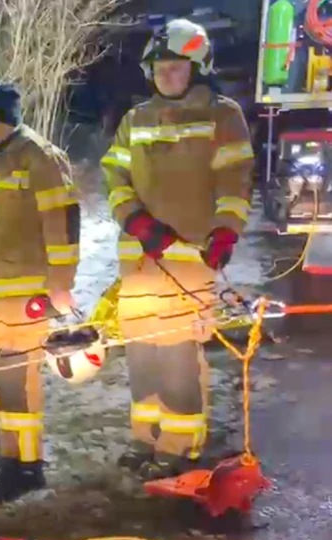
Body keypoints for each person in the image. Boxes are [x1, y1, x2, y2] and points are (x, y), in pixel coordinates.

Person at [102, 18, 252, 477]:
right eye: (160, 67)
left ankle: (177, 448)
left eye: (176, 67)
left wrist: (225, 232)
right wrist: (136, 221)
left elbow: (235, 183)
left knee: (179, 361)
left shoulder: (223, 117)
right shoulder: (135, 119)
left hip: (190, 263)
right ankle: (145, 441)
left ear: (198, 67)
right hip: (140, 262)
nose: (166, 75)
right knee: (143, 357)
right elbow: (115, 178)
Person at [0, 84, 81, 504]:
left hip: (28, 289)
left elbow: (64, 221)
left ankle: (24, 465)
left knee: (17, 377)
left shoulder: (39, 157)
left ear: (1, 121)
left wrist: (60, 283)